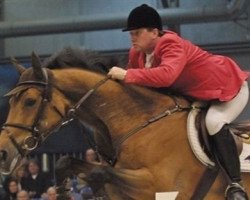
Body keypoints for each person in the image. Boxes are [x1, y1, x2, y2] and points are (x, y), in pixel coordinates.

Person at [107, 4, 249, 200]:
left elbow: (166, 76)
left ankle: (235, 185)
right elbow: (140, 89)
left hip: (228, 88)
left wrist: (126, 74)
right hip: (198, 96)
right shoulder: (136, 54)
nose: (132, 37)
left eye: (137, 33)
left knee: (213, 122)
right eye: (131, 33)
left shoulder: (170, 44)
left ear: (154, 32)